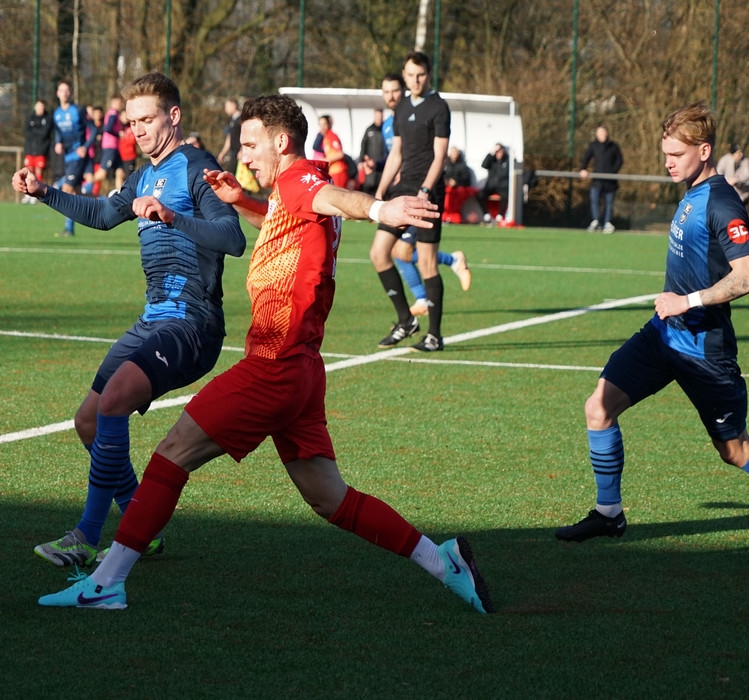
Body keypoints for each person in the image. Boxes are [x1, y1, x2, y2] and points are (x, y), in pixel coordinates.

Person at [36, 93, 493, 614]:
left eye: (251, 145)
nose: (244, 156)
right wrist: (242, 202)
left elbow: (333, 198)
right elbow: (285, 215)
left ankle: (106, 583)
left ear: (282, 141)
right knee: (330, 498)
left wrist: (379, 208)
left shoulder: (301, 181)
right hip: (304, 370)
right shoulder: (290, 191)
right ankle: (443, 561)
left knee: (172, 453)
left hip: (273, 364)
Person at [556, 101, 749, 564]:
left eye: (676, 155)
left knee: (734, 450)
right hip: (664, 334)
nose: (667, 162)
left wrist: (686, 302)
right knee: (598, 407)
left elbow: (747, 277)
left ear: (704, 151)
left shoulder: (722, 202)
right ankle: (609, 513)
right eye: (665, 153)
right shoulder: (689, 190)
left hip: (704, 350)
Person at [12, 72, 247, 568]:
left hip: (193, 322)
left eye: (146, 119)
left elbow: (233, 237)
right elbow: (103, 214)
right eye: (132, 121)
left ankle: (86, 537)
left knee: (115, 399)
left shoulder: (198, 167)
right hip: (153, 319)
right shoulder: (142, 175)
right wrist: (44, 191)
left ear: (173, 116)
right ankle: (145, 526)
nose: (137, 130)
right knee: (88, 421)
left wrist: (170, 216)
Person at [372, 53, 470, 349]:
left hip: (429, 193)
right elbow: (397, 153)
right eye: (411, 75)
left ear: (429, 75)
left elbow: (440, 156)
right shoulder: (401, 107)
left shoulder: (438, 107)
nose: (416, 80)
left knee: (427, 263)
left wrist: (426, 189)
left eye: (421, 75)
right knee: (379, 253)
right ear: (404, 74)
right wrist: (380, 190)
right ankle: (406, 321)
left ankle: (434, 336)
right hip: (402, 191)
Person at [52, 80, 96, 237]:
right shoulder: (56, 113)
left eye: (67, 90)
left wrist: (85, 146)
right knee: (77, 194)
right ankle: (105, 201)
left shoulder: (78, 110)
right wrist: (58, 142)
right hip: (67, 157)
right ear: (57, 93)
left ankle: (69, 229)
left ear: (70, 93)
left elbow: (93, 128)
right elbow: (58, 131)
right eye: (61, 90)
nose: (64, 93)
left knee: (67, 189)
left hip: (78, 156)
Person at [579, 125, 623, 233]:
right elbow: (586, 158)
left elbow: (619, 160)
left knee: (609, 203)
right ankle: (596, 221)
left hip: (610, 181)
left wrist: (613, 172)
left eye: (603, 132)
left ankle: (607, 223)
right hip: (597, 181)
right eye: (600, 132)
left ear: (606, 133)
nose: (602, 134)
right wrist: (583, 169)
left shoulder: (614, 146)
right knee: (594, 200)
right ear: (596, 134)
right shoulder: (593, 146)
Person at [22, 99, 54, 203]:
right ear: (35, 107)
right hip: (30, 149)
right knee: (29, 171)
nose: (41, 108)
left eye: (42, 106)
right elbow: (27, 132)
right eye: (39, 106)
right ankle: (27, 193)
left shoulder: (48, 118)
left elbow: (44, 133)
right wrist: (37, 132)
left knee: (38, 172)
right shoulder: (30, 118)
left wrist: (34, 131)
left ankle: (36, 193)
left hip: (41, 150)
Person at [91, 96, 124, 194]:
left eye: (121, 103)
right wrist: (118, 134)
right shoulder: (113, 114)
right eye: (118, 103)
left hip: (115, 147)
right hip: (110, 147)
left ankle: (120, 195)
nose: (120, 105)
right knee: (102, 173)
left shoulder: (114, 113)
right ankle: (82, 186)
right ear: (113, 103)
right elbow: (108, 128)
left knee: (120, 172)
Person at [477, 142, 510, 223]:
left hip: (502, 186)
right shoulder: (492, 160)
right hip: (491, 186)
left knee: (505, 196)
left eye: (500, 151)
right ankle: (486, 214)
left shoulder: (507, 160)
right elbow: (484, 165)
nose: (498, 153)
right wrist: (491, 154)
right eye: (496, 151)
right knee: (480, 194)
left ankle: (500, 216)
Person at [442, 146, 476, 224]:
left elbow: (466, 180)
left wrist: (456, 183)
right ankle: (445, 214)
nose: (454, 155)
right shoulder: (445, 164)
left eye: (455, 153)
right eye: (453, 153)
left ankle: (453, 215)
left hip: (458, 190)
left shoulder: (463, 166)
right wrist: (446, 181)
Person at [357, 108, 386, 194]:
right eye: (377, 116)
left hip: (382, 164)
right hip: (370, 165)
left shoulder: (385, 129)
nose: (379, 118)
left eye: (380, 116)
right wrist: (361, 161)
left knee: (381, 187)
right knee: (369, 187)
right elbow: (363, 145)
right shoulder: (369, 129)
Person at [216, 97, 242, 172]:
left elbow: (247, 136)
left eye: (227, 106)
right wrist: (223, 153)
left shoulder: (241, 119)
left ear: (233, 106)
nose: (225, 109)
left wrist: (242, 150)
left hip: (239, 154)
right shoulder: (231, 120)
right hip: (233, 154)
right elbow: (229, 138)